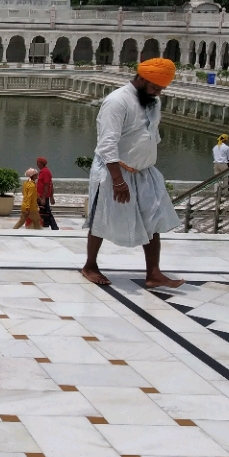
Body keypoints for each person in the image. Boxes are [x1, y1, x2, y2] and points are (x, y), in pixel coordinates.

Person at [82, 58, 184, 289]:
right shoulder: (117, 102)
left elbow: (150, 135)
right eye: (155, 87)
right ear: (142, 78)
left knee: (154, 219)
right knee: (101, 217)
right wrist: (118, 181)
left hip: (144, 172)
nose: (158, 92)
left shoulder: (153, 102)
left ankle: (154, 273)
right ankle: (89, 265)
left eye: (161, 89)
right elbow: (107, 144)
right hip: (114, 171)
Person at [36, 157, 59, 230]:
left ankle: (54, 227)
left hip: (43, 196)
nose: (37, 164)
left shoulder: (45, 172)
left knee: (47, 212)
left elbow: (47, 185)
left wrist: (43, 198)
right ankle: (46, 225)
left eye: (38, 163)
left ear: (40, 163)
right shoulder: (43, 171)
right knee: (43, 211)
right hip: (41, 196)